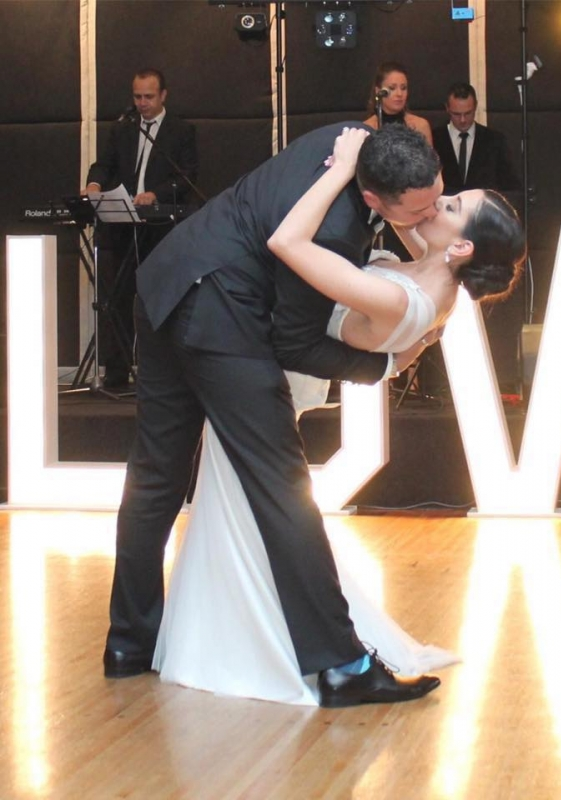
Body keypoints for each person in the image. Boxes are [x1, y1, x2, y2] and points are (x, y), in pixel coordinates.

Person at [152, 128, 525, 703]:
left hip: (274, 371)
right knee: (249, 512)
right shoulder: (431, 274)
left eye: (450, 205)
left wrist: (343, 169)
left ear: (461, 249)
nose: (437, 202)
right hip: (269, 363)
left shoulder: (408, 297)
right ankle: (281, 645)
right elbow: (408, 219)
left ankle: (281, 650)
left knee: (264, 510)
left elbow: (288, 242)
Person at [104, 122, 447, 709]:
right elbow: (295, 343)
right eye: (418, 211)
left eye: (437, 198)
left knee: (155, 478)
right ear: (372, 196)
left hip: (166, 281)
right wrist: (383, 366)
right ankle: (343, 666)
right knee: (284, 489)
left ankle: (127, 645)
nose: (430, 214)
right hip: (219, 314)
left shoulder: (350, 140)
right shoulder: (333, 231)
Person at [82, 68, 198, 389]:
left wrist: (155, 194)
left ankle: (161, 372)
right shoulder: (123, 128)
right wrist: (94, 185)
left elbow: (187, 175)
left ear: (163, 95)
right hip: (122, 225)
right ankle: (116, 372)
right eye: (137, 97)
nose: (142, 103)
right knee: (117, 297)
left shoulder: (181, 130)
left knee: (160, 298)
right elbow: (103, 165)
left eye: (149, 97)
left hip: (159, 228)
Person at [432, 82, 520, 195]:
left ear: (475, 107)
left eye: (468, 113)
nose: (463, 120)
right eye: (456, 114)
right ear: (447, 108)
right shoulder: (434, 139)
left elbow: (509, 184)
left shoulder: (495, 140)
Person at [364, 61, 433, 145]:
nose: (399, 94)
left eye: (403, 88)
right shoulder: (366, 128)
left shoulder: (420, 126)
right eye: (392, 88)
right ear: (378, 91)